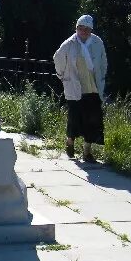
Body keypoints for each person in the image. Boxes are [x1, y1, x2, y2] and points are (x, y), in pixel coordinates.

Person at [53, 14, 108, 163]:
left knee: (92, 119)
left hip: (93, 86)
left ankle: (87, 151)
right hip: (75, 86)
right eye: (81, 28)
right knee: (74, 118)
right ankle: (70, 142)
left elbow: (103, 61)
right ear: (76, 28)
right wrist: (62, 75)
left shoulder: (97, 42)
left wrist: (102, 76)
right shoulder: (69, 44)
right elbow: (58, 58)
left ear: (91, 29)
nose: (83, 31)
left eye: (87, 29)